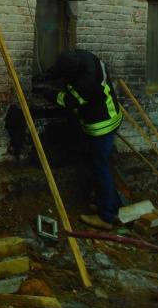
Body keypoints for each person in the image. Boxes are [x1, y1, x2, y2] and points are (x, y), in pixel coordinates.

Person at [33, 49, 123, 231]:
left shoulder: (86, 82)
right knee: (98, 165)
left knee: (100, 167)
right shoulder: (82, 56)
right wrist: (45, 76)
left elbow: (69, 101)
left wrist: (45, 93)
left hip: (102, 124)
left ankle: (106, 217)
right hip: (104, 115)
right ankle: (110, 208)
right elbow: (62, 69)